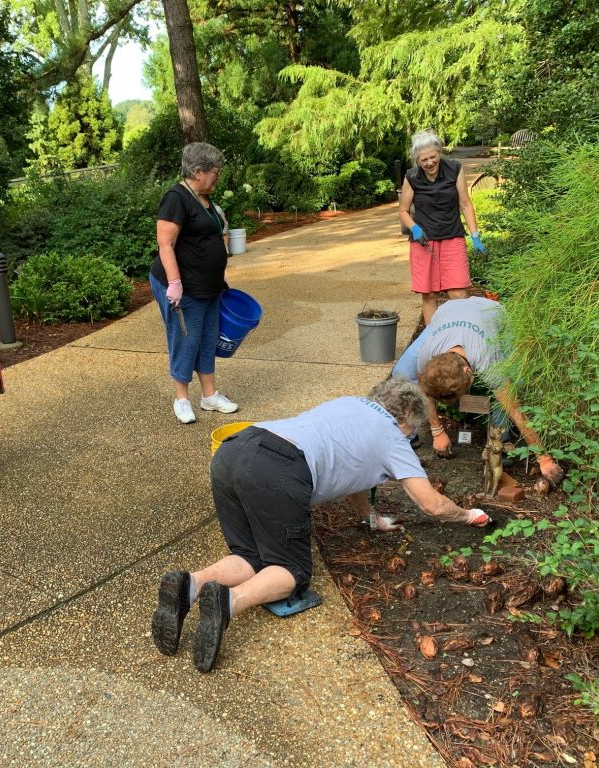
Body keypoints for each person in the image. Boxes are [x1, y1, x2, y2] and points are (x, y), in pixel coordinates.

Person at [150, 378, 490, 673]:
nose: (412, 435)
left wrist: (369, 518)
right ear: (405, 419)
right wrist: (467, 515)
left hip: (234, 450)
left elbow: (354, 473)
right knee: (291, 571)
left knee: (249, 554)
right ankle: (229, 602)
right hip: (278, 471)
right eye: (413, 429)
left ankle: (191, 585)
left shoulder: (350, 404)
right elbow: (430, 503)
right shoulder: (393, 436)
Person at [392, 295, 564, 487]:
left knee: (515, 383)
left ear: (469, 370)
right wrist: (437, 431)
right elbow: (425, 389)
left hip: (491, 313)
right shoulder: (427, 356)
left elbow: (515, 410)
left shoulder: (487, 361)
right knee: (401, 372)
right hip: (448, 311)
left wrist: (544, 459)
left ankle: (499, 437)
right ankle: (407, 433)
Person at [150, 142, 238, 424]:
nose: (218, 177)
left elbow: (211, 237)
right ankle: (182, 399)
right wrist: (174, 283)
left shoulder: (205, 198)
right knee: (185, 340)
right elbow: (166, 244)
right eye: (216, 172)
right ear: (198, 171)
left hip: (208, 287)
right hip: (183, 287)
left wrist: (218, 272)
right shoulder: (177, 198)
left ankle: (209, 396)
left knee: (208, 338)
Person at [398, 130, 486, 326]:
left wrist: (475, 235)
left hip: (452, 237)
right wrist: (415, 228)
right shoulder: (412, 176)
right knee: (428, 294)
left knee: (458, 292)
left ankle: (459, 337)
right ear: (417, 160)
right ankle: (433, 339)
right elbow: (403, 210)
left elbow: (465, 203)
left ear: (439, 152)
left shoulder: (454, 169)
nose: (429, 163)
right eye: (424, 160)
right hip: (423, 242)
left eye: (433, 157)